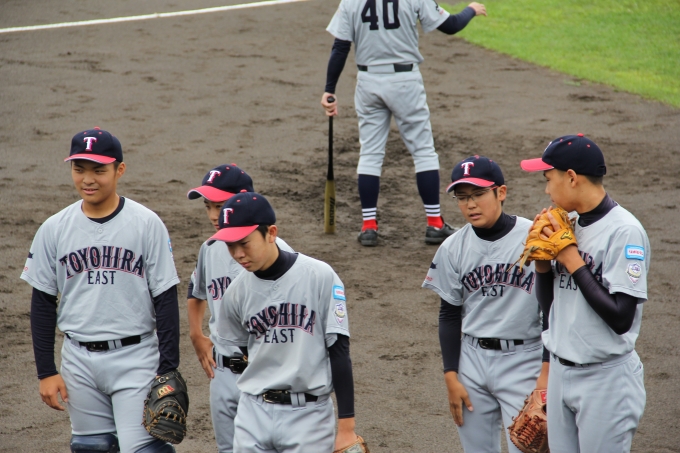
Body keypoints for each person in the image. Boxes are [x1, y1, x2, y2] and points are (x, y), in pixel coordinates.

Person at [21, 127, 181, 453]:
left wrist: (168, 369)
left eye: (98, 170)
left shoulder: (146, 224)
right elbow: (43, 302)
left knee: (144, 449)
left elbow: (165, 298)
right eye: (79, 169)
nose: (88, 179)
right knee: (91, 447)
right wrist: (46, 371)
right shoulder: (54, 228)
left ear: (119, 170)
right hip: (78, 360)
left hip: (136, 357)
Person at [321, 0, 487, 246]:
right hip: (405, 82)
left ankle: (368, 227)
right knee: (423, 152)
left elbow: (340, 46)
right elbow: (451, 25)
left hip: (368, 82)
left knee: (370, 153)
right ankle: (434, 223)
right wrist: (471, 10)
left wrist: (329, 90)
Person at [521, 134, 648, 452]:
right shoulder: (569, 225)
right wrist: (543, 265)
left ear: (571, 177)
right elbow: (551, 308)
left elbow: (621, 318)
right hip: (561, 372)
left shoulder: (624, 231)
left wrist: (571, 260)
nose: (547, 190)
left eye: (548, 179)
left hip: (605, 380)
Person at [211, 192, 359, 452]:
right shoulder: (236, 292)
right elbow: (243, 351)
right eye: (230, 246)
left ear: (271, 233)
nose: (237, 254)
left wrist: (347, 426)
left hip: (308, 416)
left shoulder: (320, 276)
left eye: (244, 243)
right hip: (253, 413)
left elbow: (339, 351)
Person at [422, 156, 548, 452]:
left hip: (524, 360)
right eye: (462, 197)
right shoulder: (452, 247)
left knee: (528, 446)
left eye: (478, 194)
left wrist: (546, 369)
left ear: (500, 192)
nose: (471, 204)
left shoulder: (533, 237)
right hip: (471, 361)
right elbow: (449, 314)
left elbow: (553, 309)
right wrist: (451, 375)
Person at [186, 164, 293, 453]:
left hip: (265, 372)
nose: (213, 216)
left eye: (219, 206)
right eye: (208, 207)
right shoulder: (210, 248)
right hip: (222, 372)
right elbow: (196, 290)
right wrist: (196, 335)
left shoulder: (277, 252)